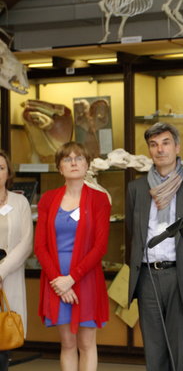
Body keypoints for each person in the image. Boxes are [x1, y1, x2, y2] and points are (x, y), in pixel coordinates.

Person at [127, 122, 183, 371]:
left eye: (166, 143)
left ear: (177, 147)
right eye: (153, 145)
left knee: (181, 350)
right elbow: (133, 234)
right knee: (154, 349)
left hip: (181, 274)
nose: (160, 150)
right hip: (147, 277)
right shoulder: (137, 189)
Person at [35, 142, 110, 371]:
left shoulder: (99, 200)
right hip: (55, 280)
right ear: (59, 167)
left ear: (87, 164)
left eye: (79, 158)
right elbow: (40, 246)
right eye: (67, 159)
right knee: (67, 343)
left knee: (86, 343)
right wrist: (60, 281)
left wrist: (72, 278)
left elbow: (100, 247)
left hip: (86, 278)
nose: (74, 162)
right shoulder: (48, 199)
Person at [0, 150, 33, 371]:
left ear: (8, 173)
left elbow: (26, 243)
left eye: (1, 168)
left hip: (8, 276)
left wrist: (1, 272)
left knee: (4, 336)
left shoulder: (19, 202)